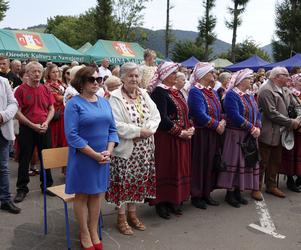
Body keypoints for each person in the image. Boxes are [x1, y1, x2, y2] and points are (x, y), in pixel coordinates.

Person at [64, 66, 119, 249]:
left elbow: (112, 129)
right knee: (82, 195)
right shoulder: (74, 104)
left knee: (97, 195)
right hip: (84, 158)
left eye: (99, 79)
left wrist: (109, 151)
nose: (96, 83)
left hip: (103, 157)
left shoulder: (104, 102)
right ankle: (84, 232)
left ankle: (93, 230)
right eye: (91, 79)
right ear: (81, 82)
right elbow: (72, 136)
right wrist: (95, 155)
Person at [106, 62, 160, 235]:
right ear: (122, 77)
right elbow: (115, 124)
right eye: (130, 75)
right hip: (126, 149)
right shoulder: (114, 97)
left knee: (137, 182)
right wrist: (138, 131)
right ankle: (121, 217)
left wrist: (147, 131)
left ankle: (133, 214)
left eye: (136, 75)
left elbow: (155, 115)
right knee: (123, 184)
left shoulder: (144, 94)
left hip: (144, 148)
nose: (134, 79)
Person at [150, 61, 194, 219]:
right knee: (166, 168)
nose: (176, 76)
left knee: (177, 168)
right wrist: (179, 132)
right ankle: (161, 203)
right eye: (174, 73)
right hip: (166, 138)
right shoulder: (159, 93)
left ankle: (174, 200)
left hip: (179, 137)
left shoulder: (176, 92)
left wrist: (190, 127)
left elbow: (185, 112)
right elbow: (161, 119)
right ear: (166, 75)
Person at [217, 69, 262, 206]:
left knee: (245, 162)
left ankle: (238, 191)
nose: (251, 80)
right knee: (235, 163)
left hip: (248, 135)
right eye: (249, 78)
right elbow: (234, 115)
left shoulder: (248, 95)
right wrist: (252, 127)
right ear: (241, 81)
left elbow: (257, 112)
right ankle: (229, 194)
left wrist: (258, 126)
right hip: (235, 134)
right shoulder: (232, 95)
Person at [14, 61, 55, 203]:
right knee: (25, 158)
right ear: (27, 73)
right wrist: (32, 125)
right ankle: (22, 189)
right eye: (33, 71)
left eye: (39, 71)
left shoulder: (46, 89)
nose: (37, 74)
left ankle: (47, 185)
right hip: (27, 129)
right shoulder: (20, 90)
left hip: (44, 128)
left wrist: (46, 123)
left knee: (46, 158)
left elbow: (51, 108)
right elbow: (17, 112)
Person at [257, 66, 301, 199]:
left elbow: (297, 105)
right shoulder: (266, 90)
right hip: (267, 131)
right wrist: (291, 122)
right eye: (286, 75)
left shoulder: (285, 89)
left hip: (281, 132)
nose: (289, 77)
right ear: (277, 77)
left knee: (275, 160)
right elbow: (272, 114)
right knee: (263, 161)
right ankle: (256, 187)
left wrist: (298, 117)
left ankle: (271, 186)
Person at [188, 62, 225, 209]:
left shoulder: (213, 91)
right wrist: (217, 125)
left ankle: (207, 193)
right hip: (202, 134)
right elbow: (199, 115)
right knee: (200, 163)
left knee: (210, 162)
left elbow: (220, 109)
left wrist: (222, 120)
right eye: (211, 73)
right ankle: (197, 195)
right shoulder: (195, 91)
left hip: (213, 133)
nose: (214, 75)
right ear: (203, 75)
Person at [0, 76, 21, 214]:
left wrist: (3, 116)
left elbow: (13, 103)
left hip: (2, 130)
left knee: (3, 167)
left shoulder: (3, 81)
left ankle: (6, 200)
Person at [280, 73, 301, 192]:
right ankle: (290, 180)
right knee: (291, 155)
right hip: (294, 130)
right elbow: (288, 110)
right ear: (294, 82)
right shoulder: (289, 93)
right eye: (300, 81)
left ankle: (299, 178)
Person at [44, 64, 67, 148]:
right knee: (56, 135)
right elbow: (57, 98)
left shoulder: (62, 83)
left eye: (57, 71)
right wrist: (68, 96)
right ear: (48, 74)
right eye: (53, 72)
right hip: (55, 113)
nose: (56, 74)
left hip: (65, 112)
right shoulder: (47, 85)